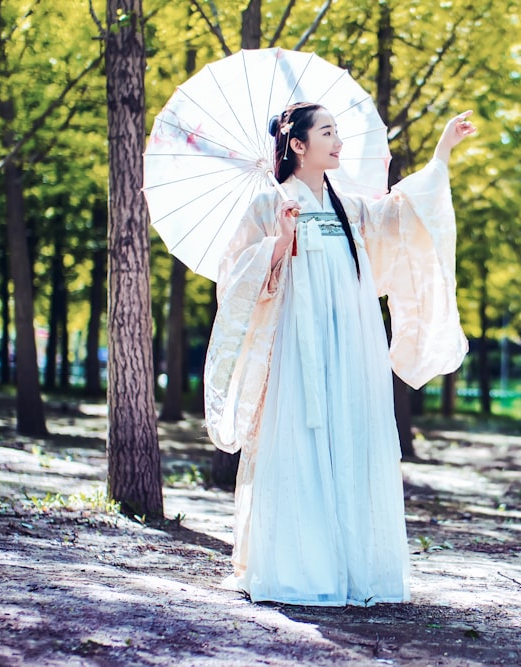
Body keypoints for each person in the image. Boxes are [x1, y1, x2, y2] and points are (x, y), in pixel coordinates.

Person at [203, 102, 475, 606]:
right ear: (298, 144)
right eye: (326, 132)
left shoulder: (349, 206)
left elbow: (401, 218)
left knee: (350, 435)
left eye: (337, 131)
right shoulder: (268, 204)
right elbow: (235, 284)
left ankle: (353, 566)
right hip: (294, 345)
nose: (337, 140)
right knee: (298, 438)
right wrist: (279, 241)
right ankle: (301, 568)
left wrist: (441, 155)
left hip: (351, 340)